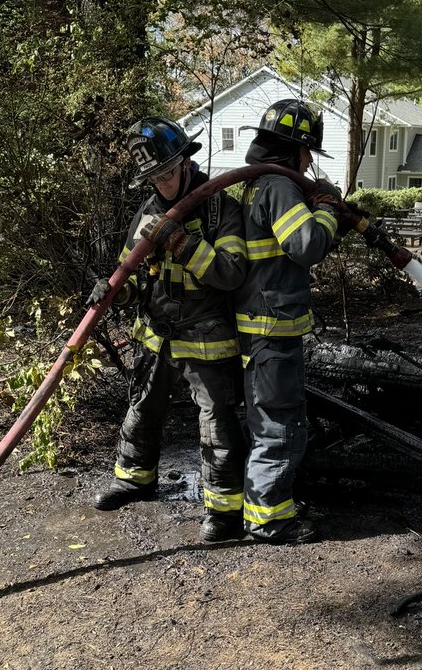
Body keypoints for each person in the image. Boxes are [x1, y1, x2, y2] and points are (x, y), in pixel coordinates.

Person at [88, 116, 248, 543]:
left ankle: (224, 511)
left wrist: (181, 242)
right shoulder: (147, 212)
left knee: (216, 422)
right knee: (142, 407)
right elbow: (130, 273)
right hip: (157, 332)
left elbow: (231, 273)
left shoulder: (221, 208)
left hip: (207, 333)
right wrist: (111, 292)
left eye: (167, 173)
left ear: (185, 162)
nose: (161, 184)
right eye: (153, 178)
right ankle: (135, 479)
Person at [235, 98, 348, 544]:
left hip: (256, 326)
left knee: (267, 420)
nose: (308, 161)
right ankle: (268, 520)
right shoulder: (279, 187)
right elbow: (306, 245)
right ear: (295, 149)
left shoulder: (254, 184)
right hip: (271, 328)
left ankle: (263, 510)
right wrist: (328, 209)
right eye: (307, 153)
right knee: (280, 425)